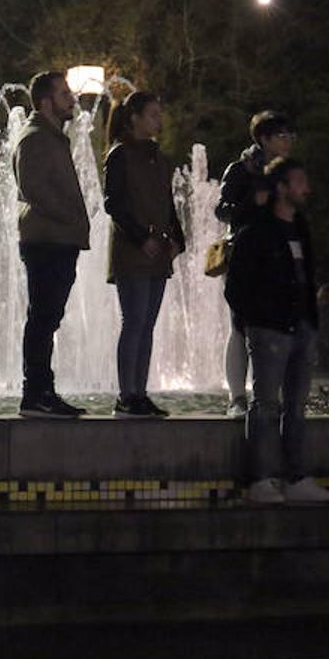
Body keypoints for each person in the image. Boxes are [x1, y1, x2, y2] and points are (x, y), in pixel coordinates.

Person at [224, 158, 329, 505]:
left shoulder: (300, 226)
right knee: (265, 404)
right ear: (281, 188)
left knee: (296, 405)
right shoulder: (258, 230)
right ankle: (260, 480)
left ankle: (295, 477)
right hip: (270, 328)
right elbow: (236, 285)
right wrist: (253, 320)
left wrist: (312, 321)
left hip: (301, 325)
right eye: (300, 181)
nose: (307, 188)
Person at [13, 71, 90, 419]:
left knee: (48, 317)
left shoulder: (52, 137)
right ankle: (35, 393)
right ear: (46, 102)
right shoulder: (36, 138)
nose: (71, 99)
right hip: (47, 239)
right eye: (64, 94)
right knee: (42, 318)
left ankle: (43, 391)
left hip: (57, 238)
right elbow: (33, 188)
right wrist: (69, 218)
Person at [104, 91, 184, 418]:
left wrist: (179, 239)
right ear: (134, 117)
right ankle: (127, 394)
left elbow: (168, 203)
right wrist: (140, 238)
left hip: (157, 250)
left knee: (147, 324)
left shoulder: (158, 157)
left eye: (159, 113)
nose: (158, 120)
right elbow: (114, 203)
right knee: (134, 320)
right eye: (152, 114)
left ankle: (140, 391)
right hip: (133, 250)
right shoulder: (120, 155)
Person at [215, 110, 295, 419]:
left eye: (290, 135)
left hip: (280, 255)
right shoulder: (241, 170)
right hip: (245, 254)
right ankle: (237, 397)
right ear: (263, 139)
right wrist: (254, 201)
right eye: (281, 135)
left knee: (275, 326)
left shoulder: (288, 172)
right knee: (239, 325)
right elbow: (222, 210)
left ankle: (268, 396)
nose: (288, 141)